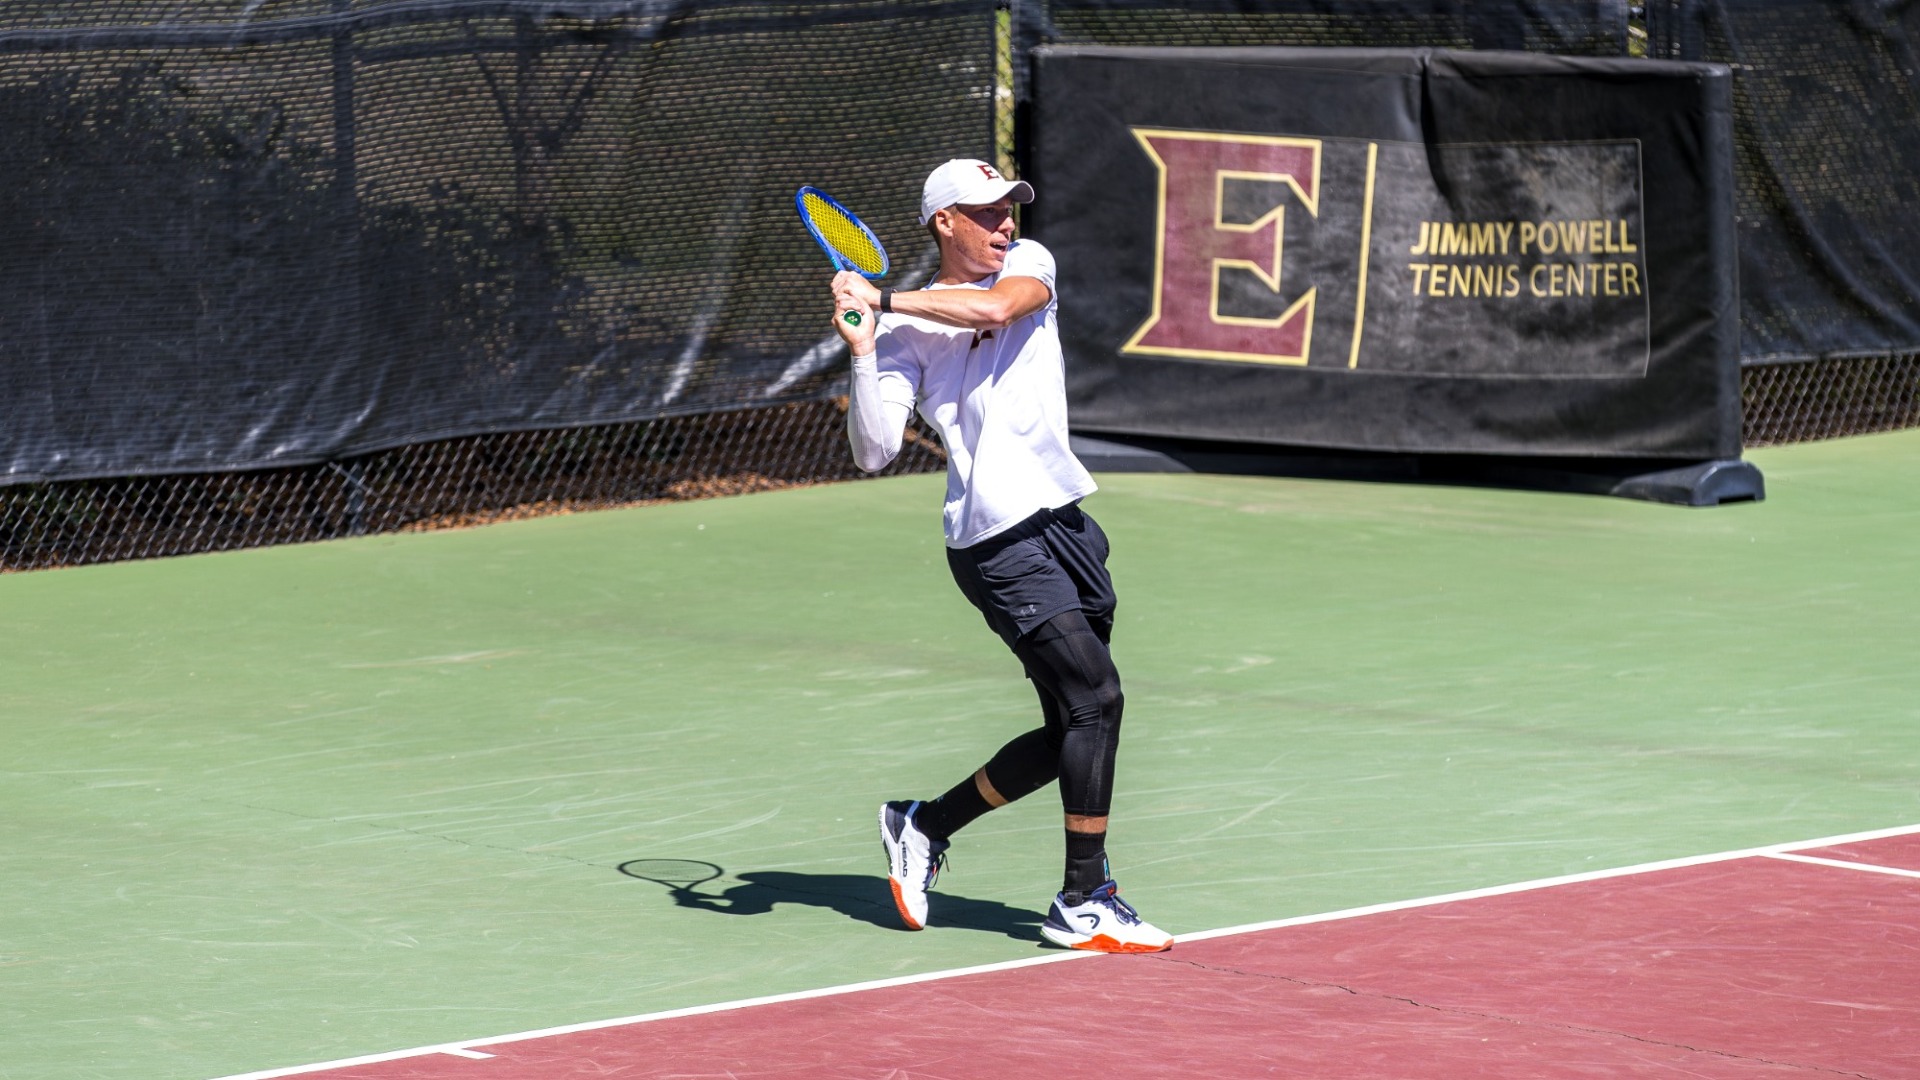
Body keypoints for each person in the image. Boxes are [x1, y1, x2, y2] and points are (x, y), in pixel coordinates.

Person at [828, 158, 1172, 954]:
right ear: (944, 221)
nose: (1006, 223)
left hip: (1069, 529)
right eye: (988, 212)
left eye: (1011, 207)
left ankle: (924, 824)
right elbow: (874, 452)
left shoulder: (1028, 265)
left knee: (1072, 730)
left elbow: (995, 306)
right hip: (994, 541)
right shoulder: (906, 331)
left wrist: (881, 296)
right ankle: (1084, 898)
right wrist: (864, 350)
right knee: (1099, 699)